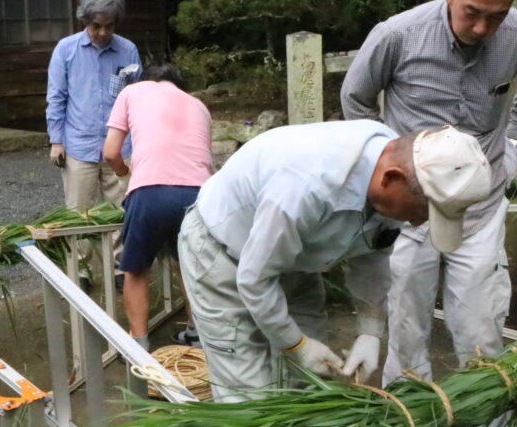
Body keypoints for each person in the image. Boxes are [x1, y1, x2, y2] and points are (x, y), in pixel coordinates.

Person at [340, 0, 517, 427]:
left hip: (480, 205)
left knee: (482, 328)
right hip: (410, 211)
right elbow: (355, 100)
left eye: (497, 15)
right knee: (407, 323)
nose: (483, 28)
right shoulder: (397, 34)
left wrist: (512, 139)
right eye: (472, 13)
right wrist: (389, 165)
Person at [178, 122, 492, 404]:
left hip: (294, 262)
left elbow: (374, 254)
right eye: (423, 211)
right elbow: (255, 279)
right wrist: (296, 344)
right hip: (224, 257)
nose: (419, 220)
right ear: (391, 178)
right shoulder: (305, 185)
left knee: (310, 385)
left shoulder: (399, 165)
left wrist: (370, 331)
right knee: (249, 399)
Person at [103, 64, 213, 350]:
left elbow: (110, 152)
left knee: (136, 269)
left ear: (147, 80)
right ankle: (200, 337)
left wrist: (123, 173)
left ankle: (139, 346)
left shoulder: (131, 91)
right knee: (190, 267)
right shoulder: (199, 105)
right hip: (200, 194)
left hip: (149, 191)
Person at [46, 0, 141, 287]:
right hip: (78, 143)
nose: (101, 32)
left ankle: (119, 267)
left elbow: (136, 98)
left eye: (108, 26)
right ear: (84, 21)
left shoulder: (128, 50)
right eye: (95, 25)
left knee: (121, 209)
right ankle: (82, 271)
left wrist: (139, 141)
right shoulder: (66, 49)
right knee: (78, 213)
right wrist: (56, 140)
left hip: (120, 145)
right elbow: (56, 97)